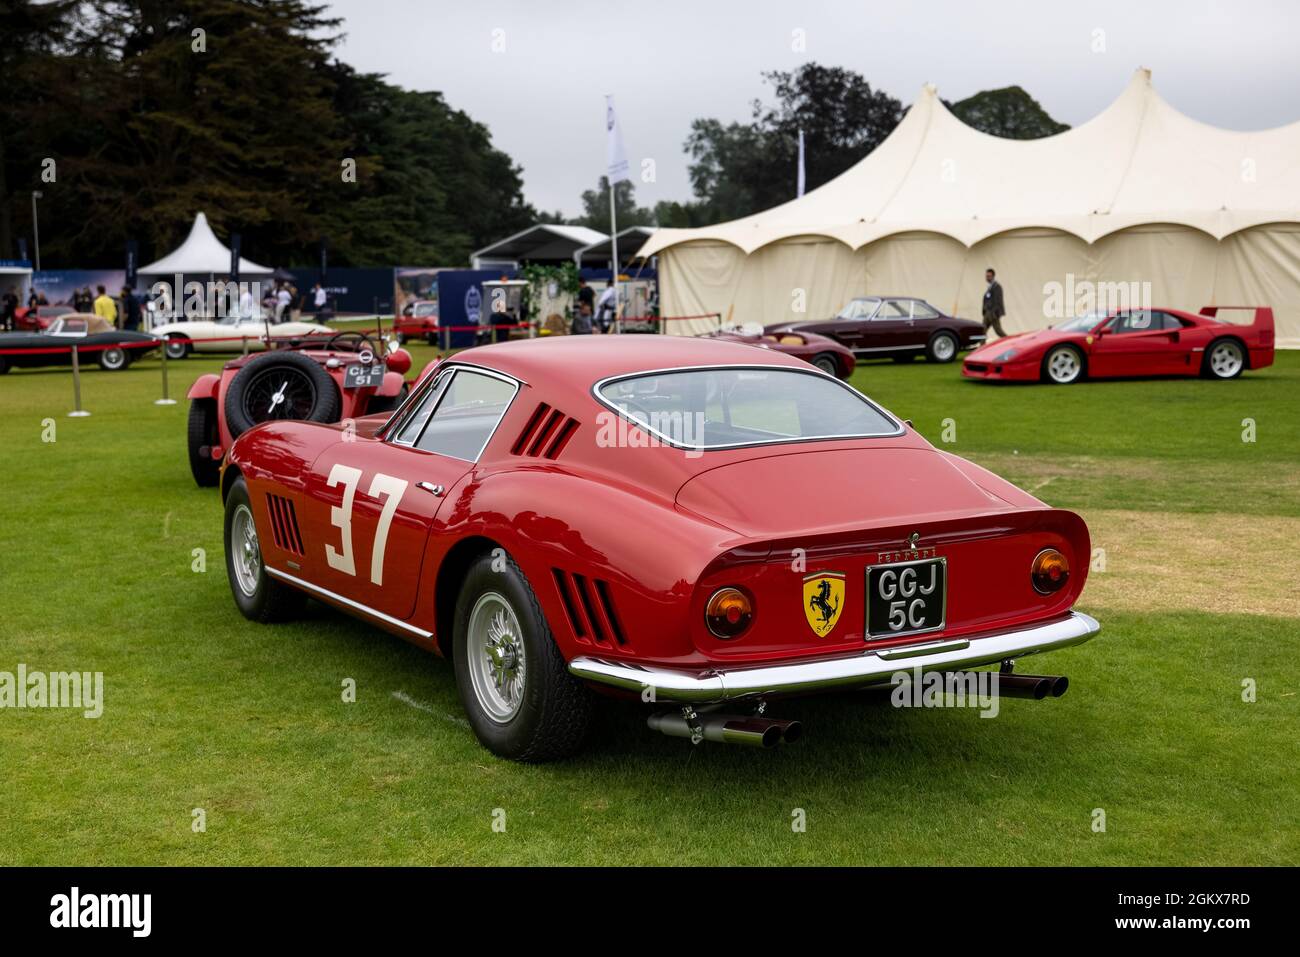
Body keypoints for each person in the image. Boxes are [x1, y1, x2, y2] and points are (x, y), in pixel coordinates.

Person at [982, 268, 1007, 339]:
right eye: (986, 276)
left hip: (993, 314)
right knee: (982, 331)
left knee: (998, 331)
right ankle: (982, 347)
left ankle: (1010, 342)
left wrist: (995, 313)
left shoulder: (997, 287)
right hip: (987, 313)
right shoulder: (990, 287)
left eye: (989, 276)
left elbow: (998, 301)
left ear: (993, 276)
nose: (987, 278)